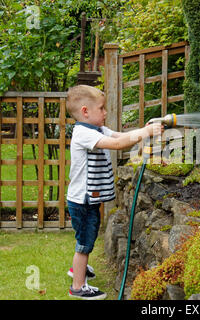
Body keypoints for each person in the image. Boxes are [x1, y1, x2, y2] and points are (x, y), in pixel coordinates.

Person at [65, 85, 164, 299]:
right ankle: (77, 286)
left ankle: (78, 269)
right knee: (85, 241)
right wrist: (145, 133)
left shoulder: (97, 129)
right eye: (101, 108)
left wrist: (142, 131)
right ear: (85, 111)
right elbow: (118, 144)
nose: (105, 112)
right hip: (82, 201)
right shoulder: (83, 133)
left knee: (87, 236)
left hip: (88, 200)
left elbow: (121, 136)